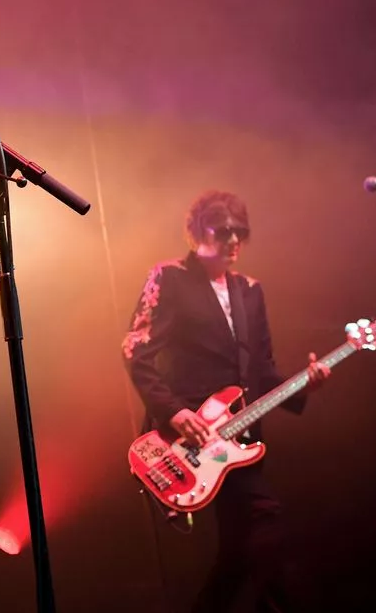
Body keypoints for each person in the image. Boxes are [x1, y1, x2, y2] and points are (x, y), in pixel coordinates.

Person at [122, 190, 330, 613]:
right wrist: (175, 411)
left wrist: (303, 384)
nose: (235, 240)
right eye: (225, 230)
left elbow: (262, 371)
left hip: (239, 438)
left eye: (242, 232)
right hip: (187, 439)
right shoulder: (170, 276)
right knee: (264, 526)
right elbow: (135, 350)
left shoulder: (250, 290)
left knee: (241, 552)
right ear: (199, 230)